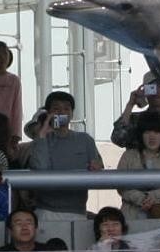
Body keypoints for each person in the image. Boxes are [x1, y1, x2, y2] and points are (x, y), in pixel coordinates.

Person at [27, 91, 103, 222]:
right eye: (56, 108)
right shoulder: (41, 140)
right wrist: (42, 134)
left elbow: (99, 168)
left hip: (77, 211)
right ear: (48, 113)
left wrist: (96, 167)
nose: (62, 112)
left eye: (67, 108)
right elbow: (40, 168)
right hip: (45, 211)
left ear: (72, 113)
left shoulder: (85, 140)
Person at [116, 114, 160, 222]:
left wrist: (155, 196)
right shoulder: (128, 156)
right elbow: (120, 186)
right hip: (132, 216)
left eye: (157, 132)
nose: (152, 136)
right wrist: (142, 199)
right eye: (147, 132)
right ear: (141, 134)